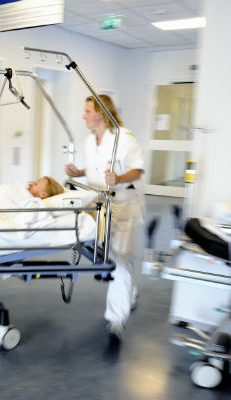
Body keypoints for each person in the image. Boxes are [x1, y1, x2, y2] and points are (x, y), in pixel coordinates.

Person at [64, 94, 145, 343]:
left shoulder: (124, 137)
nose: (84, 116)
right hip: (101, 205)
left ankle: (116, 319)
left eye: (88, 111)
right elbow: (96, 168)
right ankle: (129, 291)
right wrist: (79, 172)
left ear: (102, 113)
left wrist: (118, 178)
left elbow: (137, 169)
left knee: (119, 259)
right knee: (114, 256)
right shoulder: (90, 141)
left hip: (125, 204)